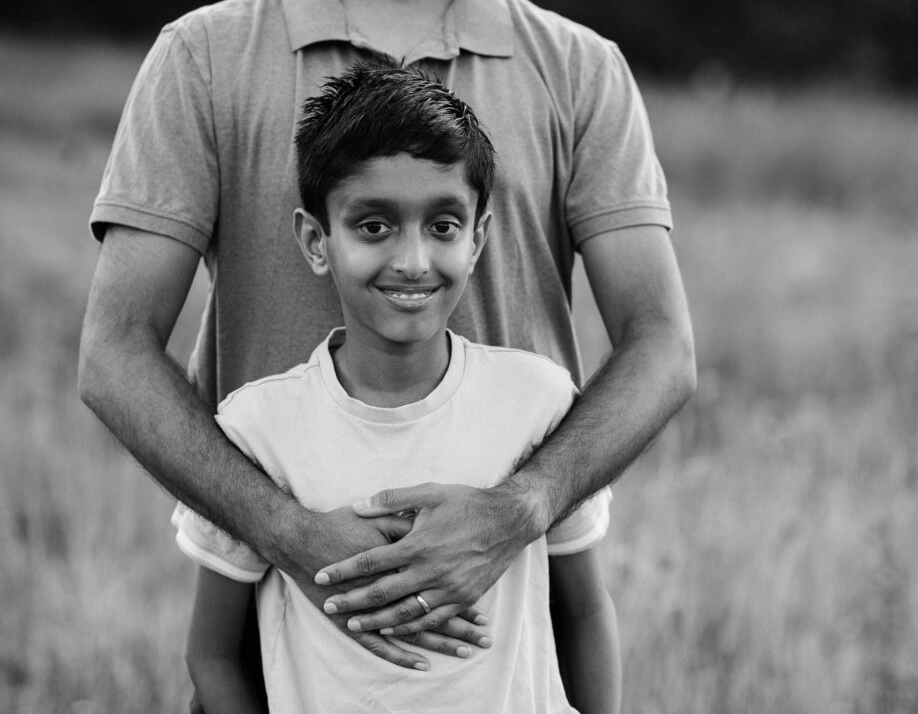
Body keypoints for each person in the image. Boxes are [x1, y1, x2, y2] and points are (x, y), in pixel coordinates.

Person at [79, 0, 695, 674]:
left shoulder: (581, 68)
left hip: (515, 630)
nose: (411, 258)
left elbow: (661, 343)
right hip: (276, 637)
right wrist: (288, 533)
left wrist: (519, 511)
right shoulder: (203, 57)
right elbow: (114, 351)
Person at [176, 61, 620, 714]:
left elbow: (582, 611)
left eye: (442, 226)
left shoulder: (540, 405)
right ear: (315, 240)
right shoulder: (256, 430)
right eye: (374, 227)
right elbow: (211, 656)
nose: (412, 261)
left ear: (478, 239)